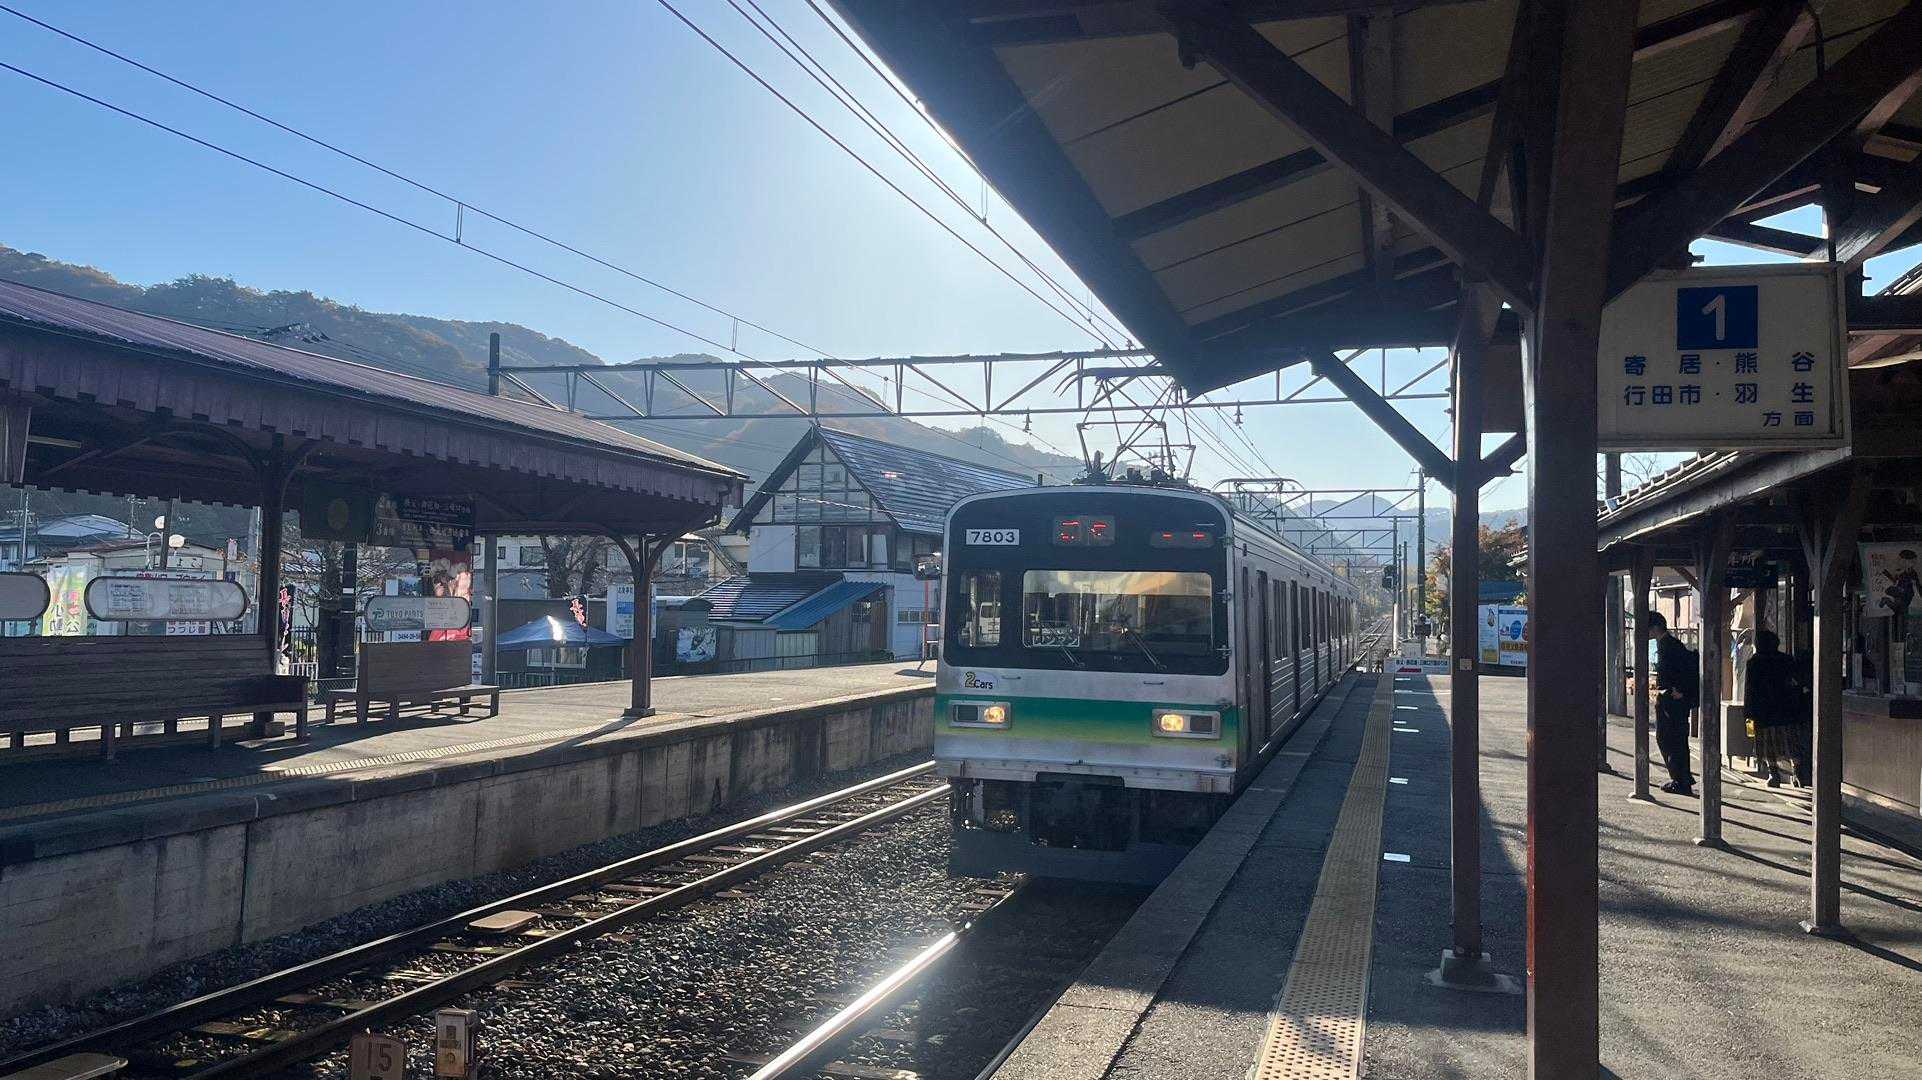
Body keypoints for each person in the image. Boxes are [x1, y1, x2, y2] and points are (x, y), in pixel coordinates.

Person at [1742, 629, 1805, 787]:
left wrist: (1748, 714)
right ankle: (1798, 772)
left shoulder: (1754, 663)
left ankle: (1773, 774)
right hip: (1786, 710)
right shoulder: (1787, 660)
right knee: (1791, 743)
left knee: (1767, 745)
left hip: (1763, 713)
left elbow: (1750, 690)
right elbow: (1797, 683)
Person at [1648, 611, 1698, 795]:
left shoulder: (1669, 646)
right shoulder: (1669, 644)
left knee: (1669, 738)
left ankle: (1680, 780)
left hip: (1673, 700)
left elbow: (1679, 671)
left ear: (1655, 628)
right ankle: (1680, 778)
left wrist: (1678, 690)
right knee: (1672, 738)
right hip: (1672, 697)